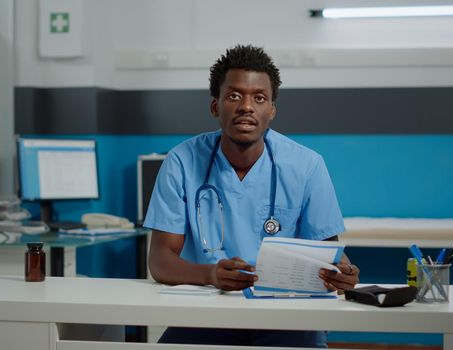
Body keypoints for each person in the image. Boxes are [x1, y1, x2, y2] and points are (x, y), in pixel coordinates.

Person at [143, 44, 360, 348]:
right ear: (215, 106)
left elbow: (326, 252)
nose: (246, 106)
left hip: (288, 316)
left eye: (259, 98)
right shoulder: (181, 162)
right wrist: (212, 274)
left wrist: (342, 273)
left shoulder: (307, 166)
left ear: (271, 109)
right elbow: (160, 260)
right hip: (208, 312)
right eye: (234, 96)